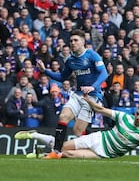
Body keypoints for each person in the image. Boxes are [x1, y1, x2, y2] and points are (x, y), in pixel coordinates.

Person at [14, 95, 139, 159]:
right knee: (60, 146)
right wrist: (89, 101)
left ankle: (42, 156)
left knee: (68, 155)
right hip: (98, 139)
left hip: (105, 154)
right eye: (137, 114)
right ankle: (34, 135)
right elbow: (101, 110)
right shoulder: (124, 117)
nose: (137, 117)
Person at [37, 29, 108, 158]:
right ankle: (57, 151)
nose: (73, 43)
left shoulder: (92, 55)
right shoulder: (71, 60)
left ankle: (96, 148)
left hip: (92, 96)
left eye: (76, 40)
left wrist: (93, 87)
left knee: (77, 131)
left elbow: (104, 73)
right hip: (77, 94)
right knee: (63, 116)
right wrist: (45, 71)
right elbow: (62, 77)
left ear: (82, 42)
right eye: (71, 41)